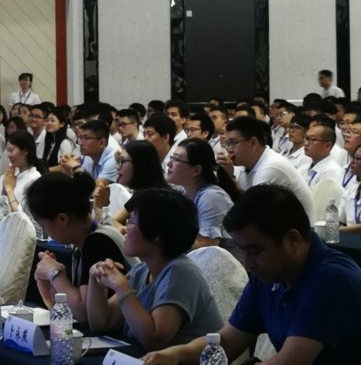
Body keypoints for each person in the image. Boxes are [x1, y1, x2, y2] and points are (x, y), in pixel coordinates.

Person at [143, 185, 361, 365]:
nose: (247, 262)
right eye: (242, 250)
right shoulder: (269, 275)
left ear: (292, 240)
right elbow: (227, 342)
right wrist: (176, 354)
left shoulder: (331, 279)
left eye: (255, 250)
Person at [85, 188, 223, 349]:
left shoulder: (180, 272)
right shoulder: (142, 270)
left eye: (131, 222)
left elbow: (154, 340)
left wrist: (122, 287)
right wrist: (95, 279)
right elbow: (102, 323)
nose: (125, 228)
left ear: (156, 234)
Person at [29, 172, 134, 321]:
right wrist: (48, 286)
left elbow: (85, 314)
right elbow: (67, 310)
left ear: (62, 219)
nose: (44, 231)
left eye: (43, 225)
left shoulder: (98, 242)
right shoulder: (85, 241)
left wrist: (55, 274)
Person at [219, 115, 315, 216]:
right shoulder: (246, 164)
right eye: (228, 144)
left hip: (298, 225)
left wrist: (231, 179)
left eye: (233, 143)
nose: (229, 149)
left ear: (253, 143)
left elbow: (251, 212)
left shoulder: (271, 167)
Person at [167, 138, 240, 255]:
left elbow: (207, 244)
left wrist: (161, 246)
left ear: (196, 170)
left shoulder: (212, 196)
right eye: (171, 158)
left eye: (176, 159)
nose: (169, 164)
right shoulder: (182, 192)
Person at [1, 130, 44, 215]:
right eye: (7, 151)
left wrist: (9, 190)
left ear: (25, 151)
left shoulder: (34, 179)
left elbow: (22, 216)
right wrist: (5, 187)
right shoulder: (15, 175)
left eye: (11, 150)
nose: (8, 155)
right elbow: (2, 207)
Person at [303, 117, 344, 188]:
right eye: (306, 138)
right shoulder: (304, 167)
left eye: (312, 139)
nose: (306, 143)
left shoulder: (331, 171)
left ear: (327, 146)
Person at [42, 107, 75, 173]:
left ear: (62, 124)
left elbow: (63, 167)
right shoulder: (51, 142)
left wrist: (43, 171)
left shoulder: (65, 143)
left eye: (52, 120)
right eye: (47, 120)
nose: (48, 123)